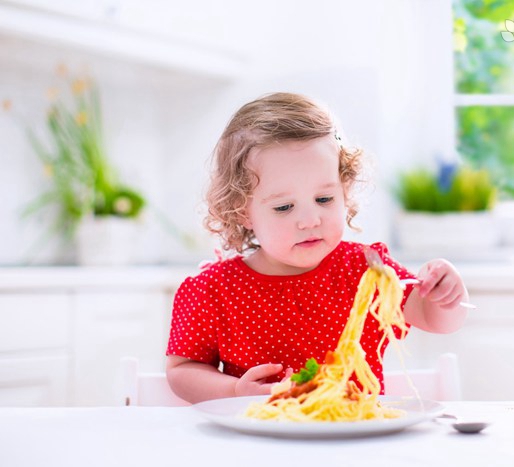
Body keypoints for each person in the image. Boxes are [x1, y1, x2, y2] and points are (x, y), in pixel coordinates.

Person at [166, 92, 469, 403]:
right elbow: (182, 371)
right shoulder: (213, 290)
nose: (310, 220)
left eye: (324, 199)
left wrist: (445, 295)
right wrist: (232, 390)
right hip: (259, 442)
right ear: (242, 211)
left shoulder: (368, 269)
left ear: (344, 190)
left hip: (354, 438)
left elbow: (433, 319)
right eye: (284, 207)